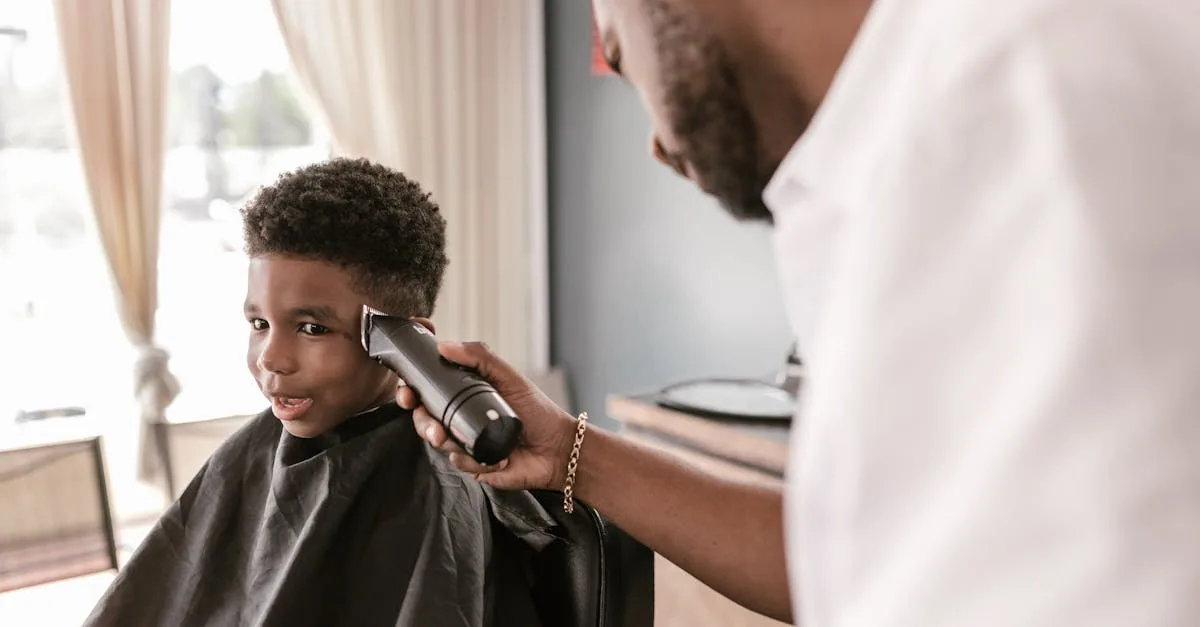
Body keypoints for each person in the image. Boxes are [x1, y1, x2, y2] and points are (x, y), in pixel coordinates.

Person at [401, 0, 1200, 625]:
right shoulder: (909, 143)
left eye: (617, 49)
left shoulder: (1017, 109)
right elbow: (868, 550)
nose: (651, 141)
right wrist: (572, 451)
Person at [85, 158, 555, 627]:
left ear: (404, 341)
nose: (271, 357)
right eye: (259, 324)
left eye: (311, 327)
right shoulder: (254, 452)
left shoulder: (436, 491)